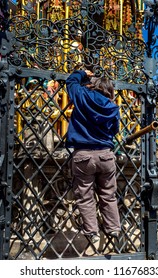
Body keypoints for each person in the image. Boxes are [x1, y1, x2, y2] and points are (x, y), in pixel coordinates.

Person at [65, 69, 121, 243]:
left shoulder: (82, 95)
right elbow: (115, 130)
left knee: (85, 195)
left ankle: (92, 232)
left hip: (83, 155)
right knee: (108, 194)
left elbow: (70, 82)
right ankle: (113, 228)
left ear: (91, 86)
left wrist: (83, 73)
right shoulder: (112, 107)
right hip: (105, 155)